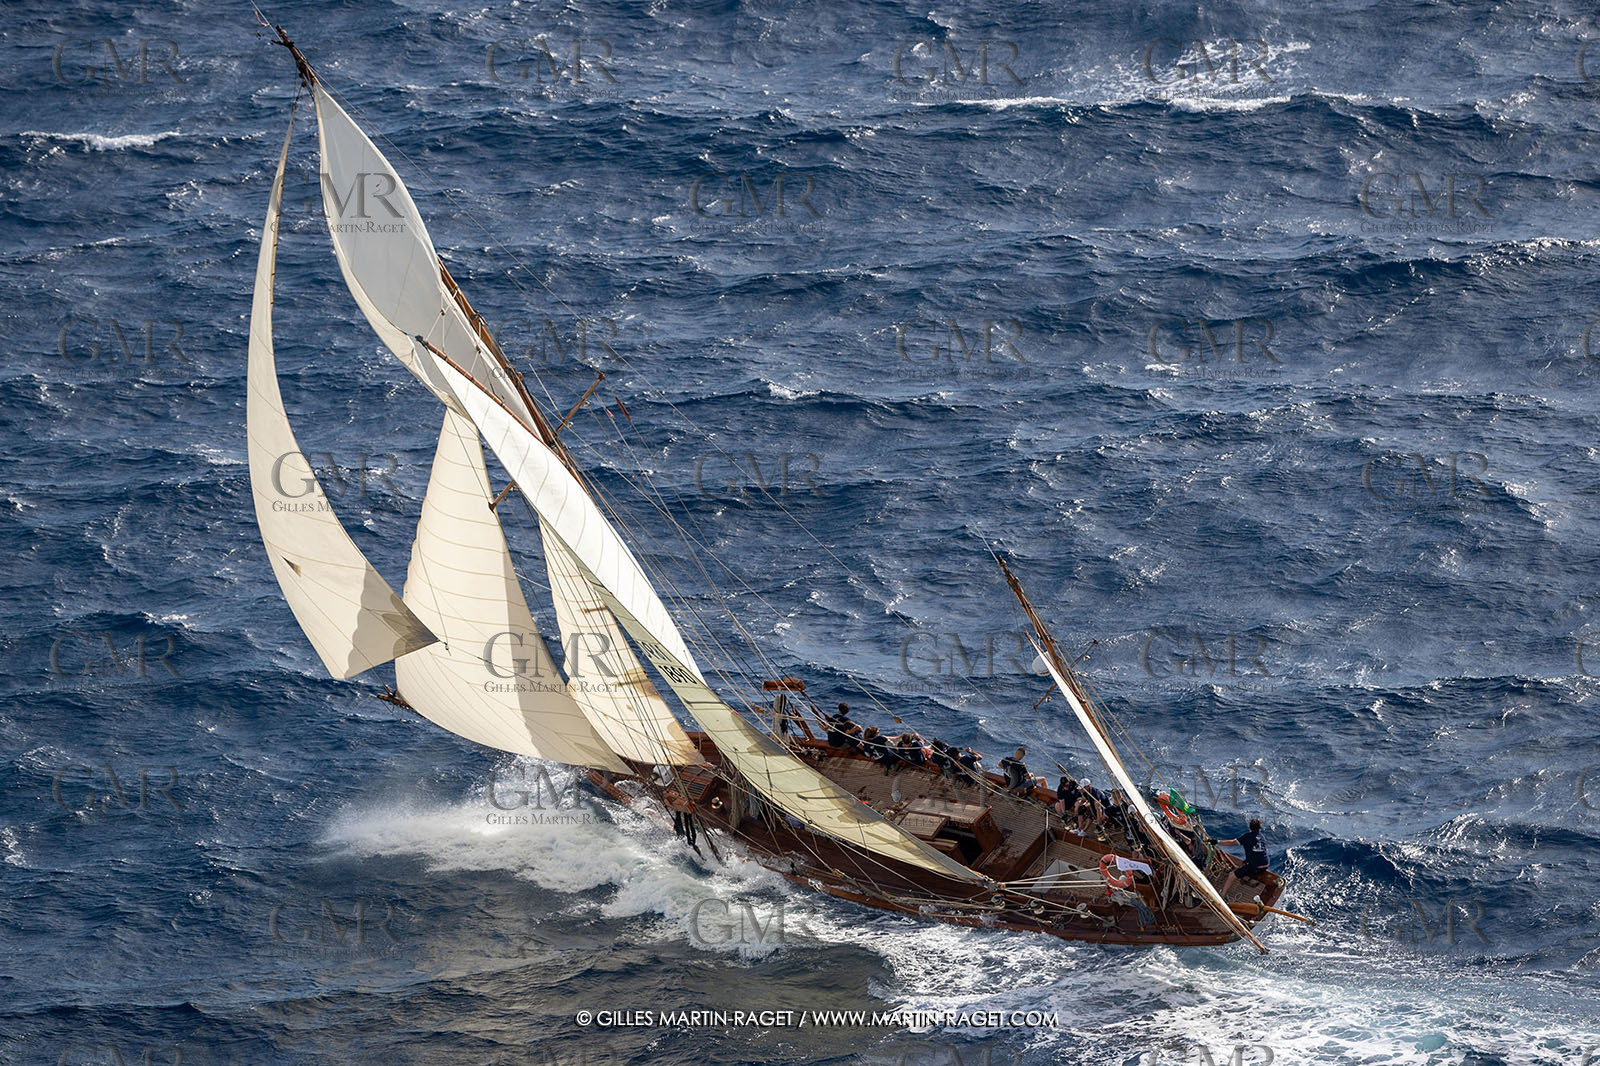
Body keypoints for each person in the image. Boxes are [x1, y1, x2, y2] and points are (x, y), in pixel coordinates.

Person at [1217, 817, 1270, 897]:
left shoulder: (1247, 836)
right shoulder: (1262, 837)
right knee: (1244, 863)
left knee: (1231, 875)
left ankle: (1222, 894)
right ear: (1259, 828)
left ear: (1249, 828)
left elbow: (1232, 842)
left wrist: (1217, 842)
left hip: (1256, 867)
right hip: (1266, 865)